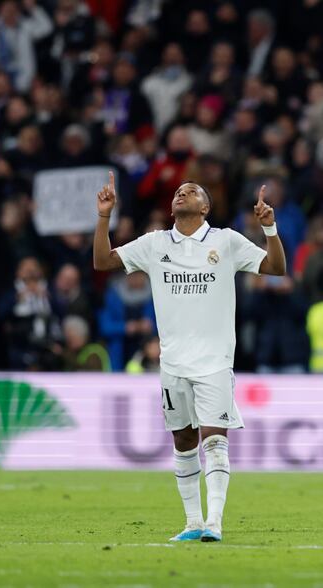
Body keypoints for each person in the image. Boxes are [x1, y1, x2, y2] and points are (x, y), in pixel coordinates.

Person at [93, 171, 286, 542]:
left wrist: (270, 229)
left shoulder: (226, 241)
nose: (182, 193)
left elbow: (275, 268)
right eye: (179, 192)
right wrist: (104, 217)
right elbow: (103, 262)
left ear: (206, 207)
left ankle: (214, 522)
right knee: (183, 441)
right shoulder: (154, 244)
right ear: (172, 207)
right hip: (173, 364)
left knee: (214, 440)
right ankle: (192, 522)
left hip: (214, 361)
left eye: (191, 191)